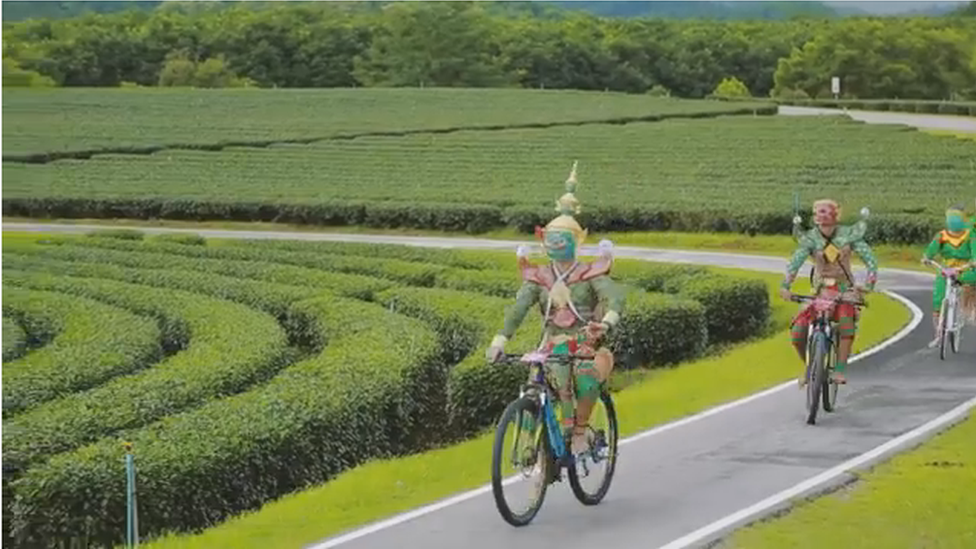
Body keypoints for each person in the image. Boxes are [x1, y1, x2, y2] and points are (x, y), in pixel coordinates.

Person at [486, 161, 625, 456]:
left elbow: (614, 298)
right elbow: (519, 308)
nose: (556, 243)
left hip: (584, 343)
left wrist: (606, 323)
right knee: (533, 386)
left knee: (585, 380)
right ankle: (529, 445)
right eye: (551, 238)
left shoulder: (590, 274)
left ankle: (578, 431)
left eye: (562, 239)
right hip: (550, 345)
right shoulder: (538, 276)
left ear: (576, 240)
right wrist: (500, 340)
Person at [779, 199, 878, 385]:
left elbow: (871, 260)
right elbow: (795, 262)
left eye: (824, 211)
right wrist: (786, 285)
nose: (819, 215)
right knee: (798, 331)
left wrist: (868, 284)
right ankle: (810, 368)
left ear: (835, 215)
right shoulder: (810, 238)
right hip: (820, 291)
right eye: (817, 212)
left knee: (846, 322)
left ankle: (839, 370)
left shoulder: (849, 235)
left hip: (844, 289)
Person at [921, 204, 976, 346]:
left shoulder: (970, 235)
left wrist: (972, 263)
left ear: (964, 219)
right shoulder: (941, 236)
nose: (953, 221)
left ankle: (968, 304)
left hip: (965, 269)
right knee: (938, 300)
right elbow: (931, 250)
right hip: (946, 270)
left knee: (972, 279)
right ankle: (938, 335)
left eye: (956, 217)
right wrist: (927, 257)